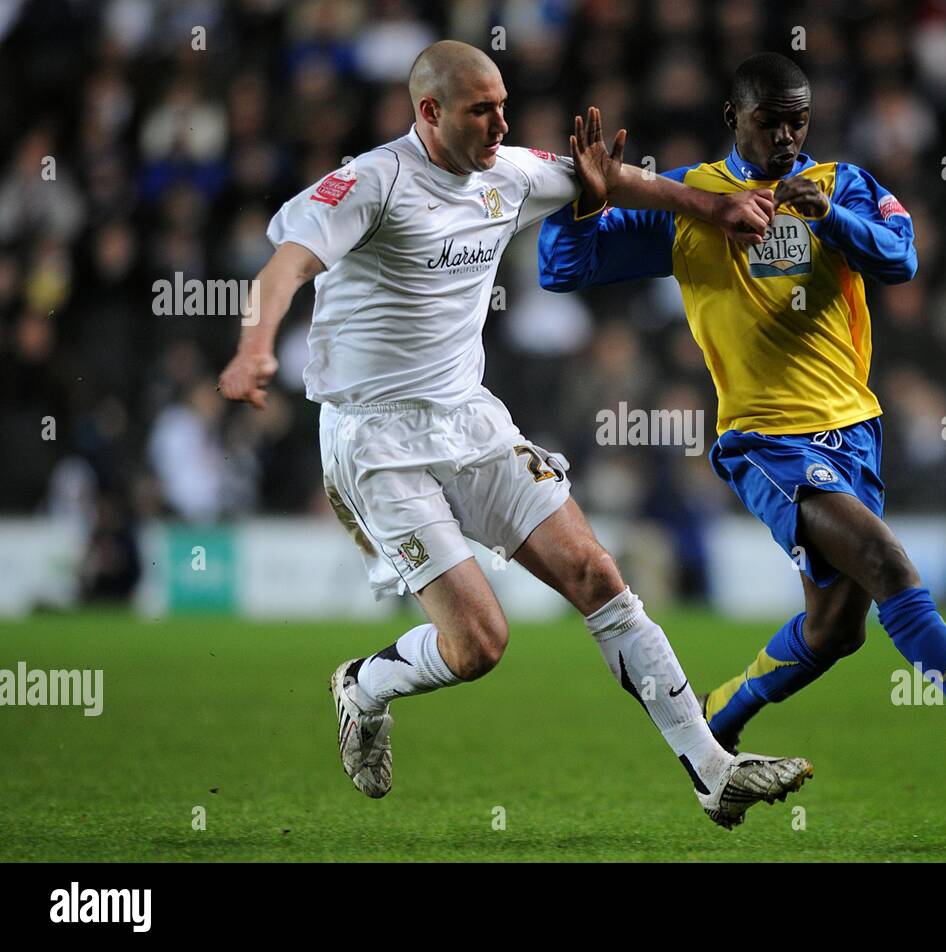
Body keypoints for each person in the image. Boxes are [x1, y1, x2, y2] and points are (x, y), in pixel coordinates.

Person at [217, 40, 810, 830]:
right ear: (428, 112)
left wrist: (719, 207)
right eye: (480, 110)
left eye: (502, 104)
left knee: (600, 577)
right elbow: (284, 266)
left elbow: (618, 181)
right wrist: (257, 347)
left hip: (470, 418)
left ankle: (712, 770)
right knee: (479, 645)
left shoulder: (510, 170)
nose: (501, 122)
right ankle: (363, 686)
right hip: (377, 440)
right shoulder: (372, 181)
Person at [538, 52, 946, 782]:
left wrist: (832, 219)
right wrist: (587, 203)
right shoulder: (689, 201)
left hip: (854, 429)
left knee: (835, 630)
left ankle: (719, 713)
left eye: (798, 122)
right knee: (887, 563)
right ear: (733, 119)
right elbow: (561, 268)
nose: (787, 137)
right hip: (764, 440)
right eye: (769, 121)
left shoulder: (839, 183)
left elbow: (902, 258)